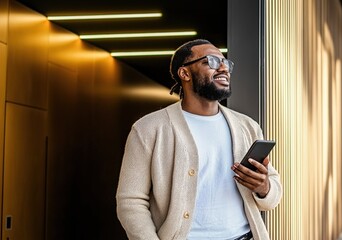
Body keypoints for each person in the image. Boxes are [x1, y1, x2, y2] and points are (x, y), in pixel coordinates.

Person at [116, 39, 282, 240]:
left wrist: (263, 187)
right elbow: (131, 202)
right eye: (211, 61)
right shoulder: (149, 129)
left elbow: (272, 195)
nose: (223, 68)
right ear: (184, 73)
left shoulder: (247, 126)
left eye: (226, 63)